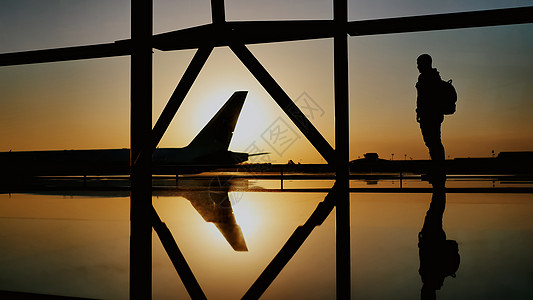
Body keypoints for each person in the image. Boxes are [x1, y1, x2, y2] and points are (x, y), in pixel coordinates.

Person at [416, 54, 446, 183]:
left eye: (419, 63)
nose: (417, 66)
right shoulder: (433, 76)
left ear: (425, 63)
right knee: (433, 143)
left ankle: (438, 171)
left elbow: (425, 98)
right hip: (431, 114)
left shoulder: (427, 77)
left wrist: (422, 112)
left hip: (430, 115)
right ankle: (437, 170)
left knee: (433, 143)